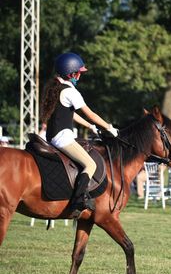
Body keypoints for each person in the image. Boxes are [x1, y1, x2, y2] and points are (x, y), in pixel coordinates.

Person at [41, 52, 118, 218]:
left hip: (52, 135)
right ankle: (78, 200)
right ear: (72, 73)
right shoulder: (70, 92)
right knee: (91, 165)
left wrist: (89, 126)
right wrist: (109, 127)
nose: (80, 76)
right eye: (79, 73)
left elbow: (70, 114)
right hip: (63, 137)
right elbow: (90, 113)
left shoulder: (56, 87)